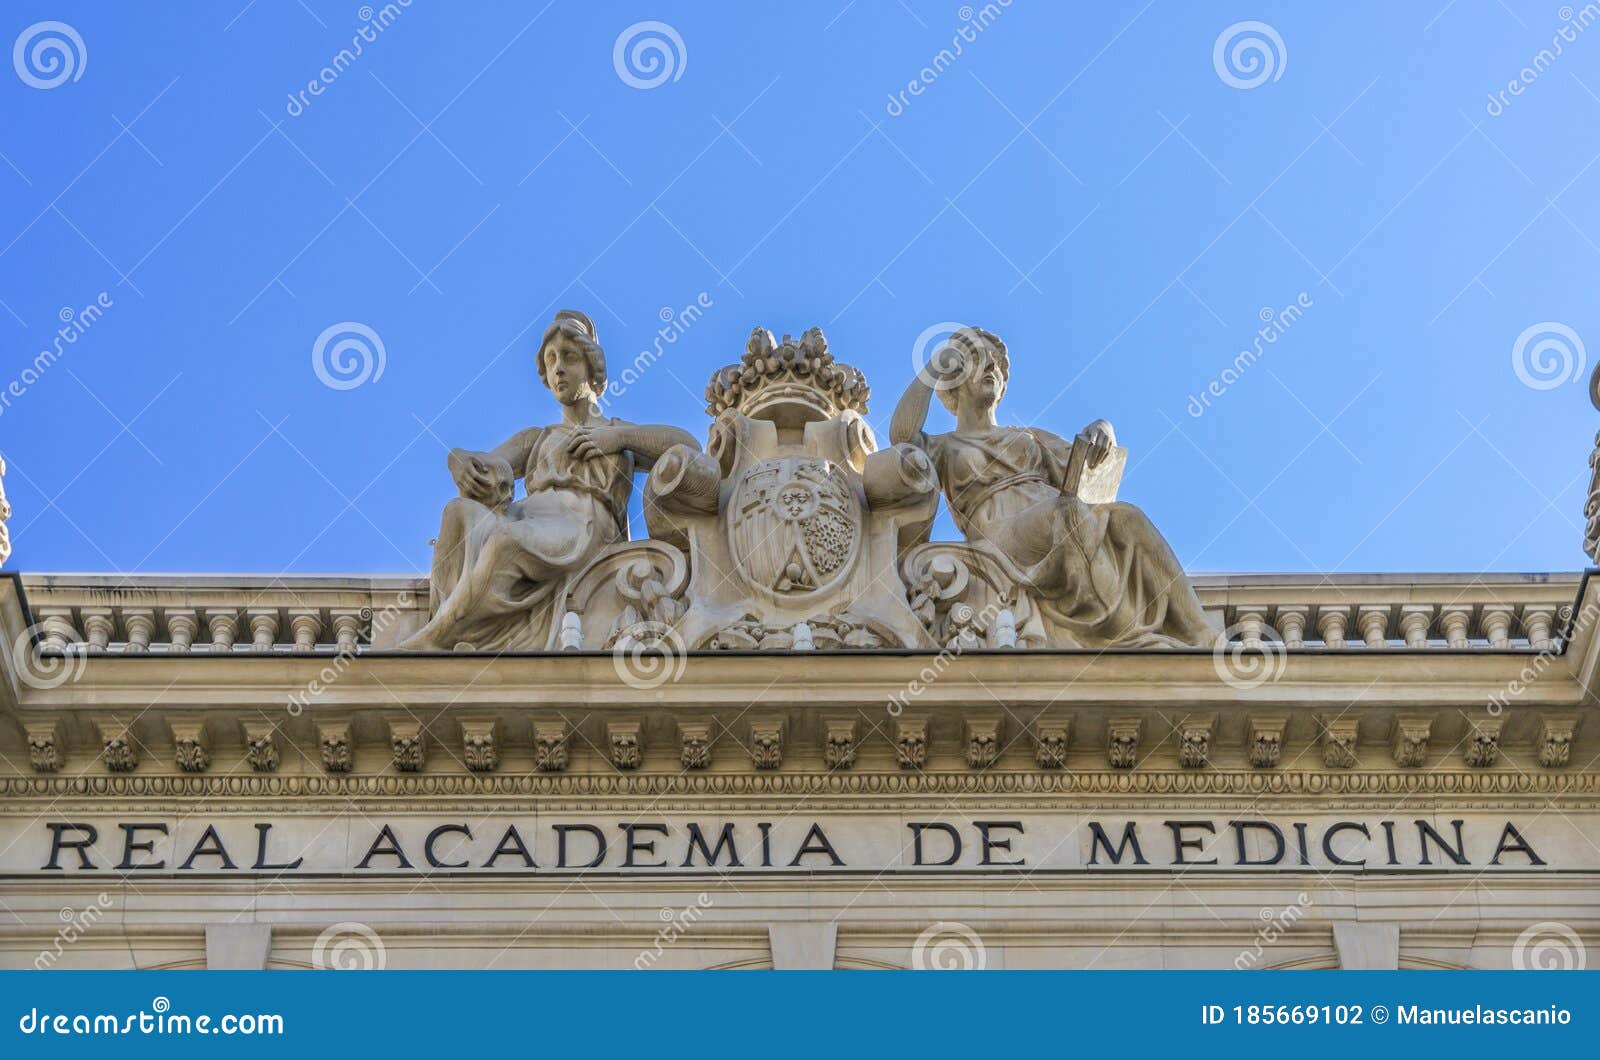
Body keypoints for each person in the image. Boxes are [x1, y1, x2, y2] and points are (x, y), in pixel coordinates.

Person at [889, 327, 1213, 648]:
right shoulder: (944, 447)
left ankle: (1202, 633)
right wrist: (933, 367)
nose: (990, 367)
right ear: (955, 376)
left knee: (1128, 516)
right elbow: (902, 436)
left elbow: (1088, 468)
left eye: (996, 364)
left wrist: (1104, 428)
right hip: (1000, 537)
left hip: (1059, 516)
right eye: (977, 359)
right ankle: (1127, 636)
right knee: (1066, 512)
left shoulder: (1028, 437)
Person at [403, 310, 698, 651]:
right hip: (531, 518)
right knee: (458, 513)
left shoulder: (614, 430)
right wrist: (456, 459)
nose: (559, 368)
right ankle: (458, 627)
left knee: (503, 542)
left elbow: (685, 445)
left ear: (592, 367)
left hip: (582, 526)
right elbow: (485, 462)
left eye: (569, 358)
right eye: (551, 359)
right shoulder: (537, 438)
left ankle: (436, 639)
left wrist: (620, 439)